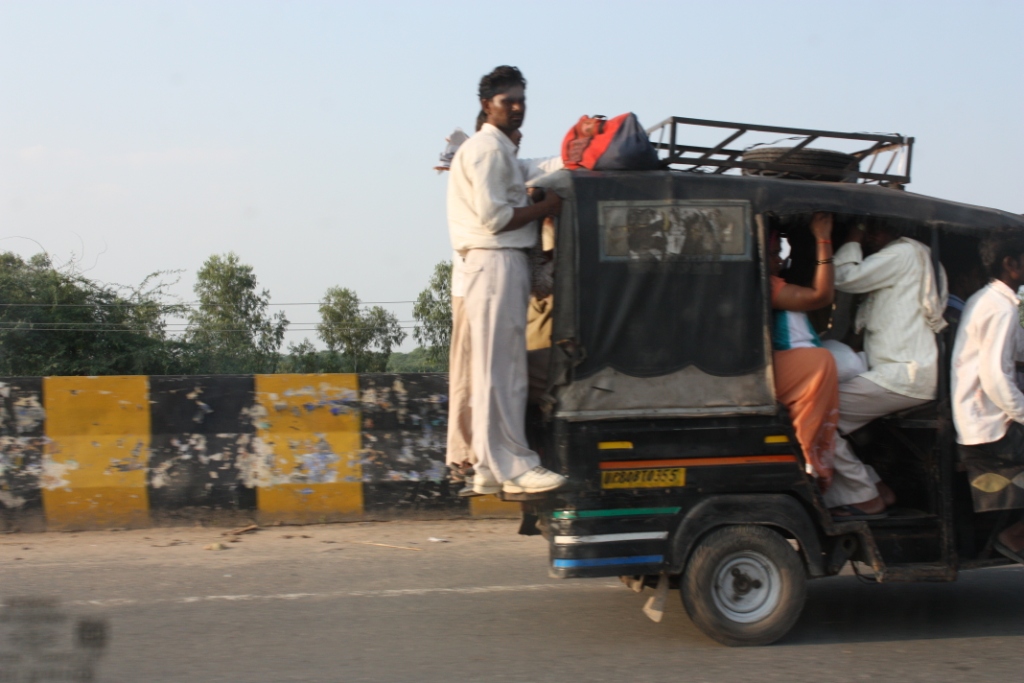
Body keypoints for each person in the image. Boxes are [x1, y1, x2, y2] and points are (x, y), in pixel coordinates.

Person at [447, 65, 567, 495]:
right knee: (504, 373)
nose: (517, 108)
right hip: (495, 260)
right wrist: (547, 207)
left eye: (521, 101)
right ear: (487, 105)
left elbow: (535, 168)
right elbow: (496, 218)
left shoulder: (497, 150)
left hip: (497, 263)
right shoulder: (486, 150)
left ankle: (487, 467)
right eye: (508, 101)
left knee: (496, 372)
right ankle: (514, 464)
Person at [824, 220, 948, 517]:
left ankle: (865, 495)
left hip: (905, 374)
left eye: (873, 228)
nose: (869, 236)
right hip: (902, 373)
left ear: (894, 227)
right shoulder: (913, 254)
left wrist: (853, 236)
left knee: (816, 413)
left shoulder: (901, 253)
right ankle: (875, 488)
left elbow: (843, 276)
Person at [951, 231, 1024, 564]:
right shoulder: (1002, 309)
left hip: (983, 419)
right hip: (990, 427)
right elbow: (996, 379)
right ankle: (1015, 536)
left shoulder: (988, 299)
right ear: (1010, 264)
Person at [769, 214, 840, 490]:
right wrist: (823, 239)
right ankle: (808, 454)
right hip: (774, 371)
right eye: (774, 254)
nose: (779, 260)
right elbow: (821, 296)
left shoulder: (776, 279)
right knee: (821, 361)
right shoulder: (765, 283)